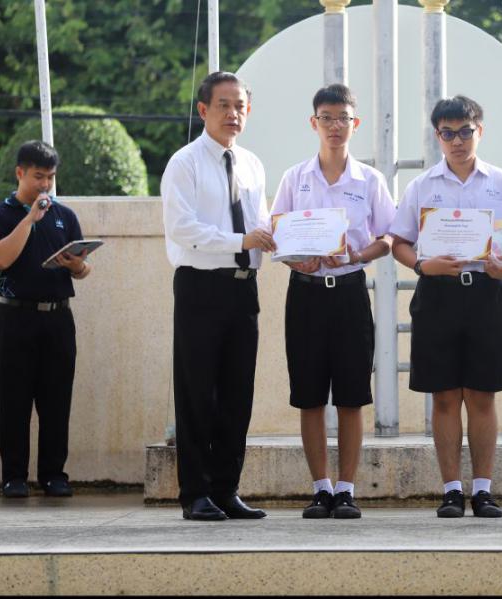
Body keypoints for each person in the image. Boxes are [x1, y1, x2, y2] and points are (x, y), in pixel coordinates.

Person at [390, 95, 502, 518]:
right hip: (438, 294)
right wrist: (422, 264)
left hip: (487, 293)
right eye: (448, 133)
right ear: (437, 136)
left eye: (465, 131)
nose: (457, 141)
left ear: (479, 131)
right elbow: (399, 242)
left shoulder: (501, 182)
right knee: (445, 396)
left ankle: (483, 490)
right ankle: (452, 489)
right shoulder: (421, 186)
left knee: (483, 395)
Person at [271, 84, 395, 520]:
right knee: (308, 395)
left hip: (348, 292)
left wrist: (358, 255)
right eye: (327, 117)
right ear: (314, 123)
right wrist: (295, 260)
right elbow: (277, 233)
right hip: (305, 294)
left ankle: (346, 489)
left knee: (351, 396)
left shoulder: (370, 180)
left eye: (343, 118)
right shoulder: (294, 178)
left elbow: (388, 237)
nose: (335, 126)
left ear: (355, 124)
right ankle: (320, 488)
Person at [161, 71, 276, 521]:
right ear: (203, 110)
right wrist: (239, 241)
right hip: (200, 286)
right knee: (196, 392)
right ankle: (195, 494)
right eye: (224, 105)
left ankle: (227, 489)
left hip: (243, 289)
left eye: (240, 106)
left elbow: (261, 225)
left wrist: (289, 242)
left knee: (236, 393)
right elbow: (182, 229)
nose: (233, 114)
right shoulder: (184, 163)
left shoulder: (252, 164)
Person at [0, 140, 93, 499]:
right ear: (20, 173)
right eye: (39, 176)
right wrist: (30, 218)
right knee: (14, 400)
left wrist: (77, 265)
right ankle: (14, 476)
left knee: (57, 400)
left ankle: (53, 475)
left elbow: (83, 270)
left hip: (58, 319)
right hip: (16, 318)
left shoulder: (65, 216)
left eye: (50, 177)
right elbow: (0, 259)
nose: (45, 184)